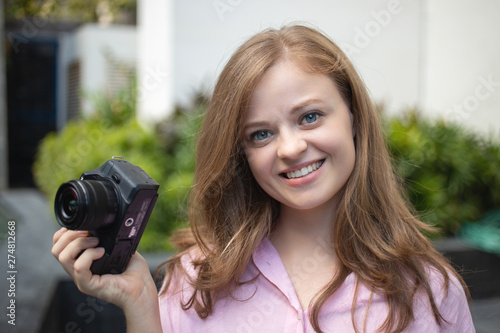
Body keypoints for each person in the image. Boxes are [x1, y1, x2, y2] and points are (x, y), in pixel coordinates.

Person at [52, 24, 475, 332]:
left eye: (310, 116)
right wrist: (142, 305)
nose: (289, 148)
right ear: (243, 155)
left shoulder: (431, 291)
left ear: (354, 119)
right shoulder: (194, 282)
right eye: (261, 134)